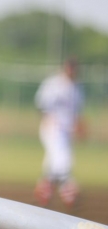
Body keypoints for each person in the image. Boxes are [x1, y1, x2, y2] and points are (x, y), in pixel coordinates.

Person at [34, 57, 86, 208]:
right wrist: (47, 119)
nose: (71, 71)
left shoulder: (77, 88)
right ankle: (68, 192)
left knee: (53, 162)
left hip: (66, 131)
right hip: (53, 128)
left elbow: (77, 112)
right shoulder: (53, 84)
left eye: (74, 68)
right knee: (63, 161)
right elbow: (41, 104)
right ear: (65, 68)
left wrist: (78, 126)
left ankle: (44, 191)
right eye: (70, 68)